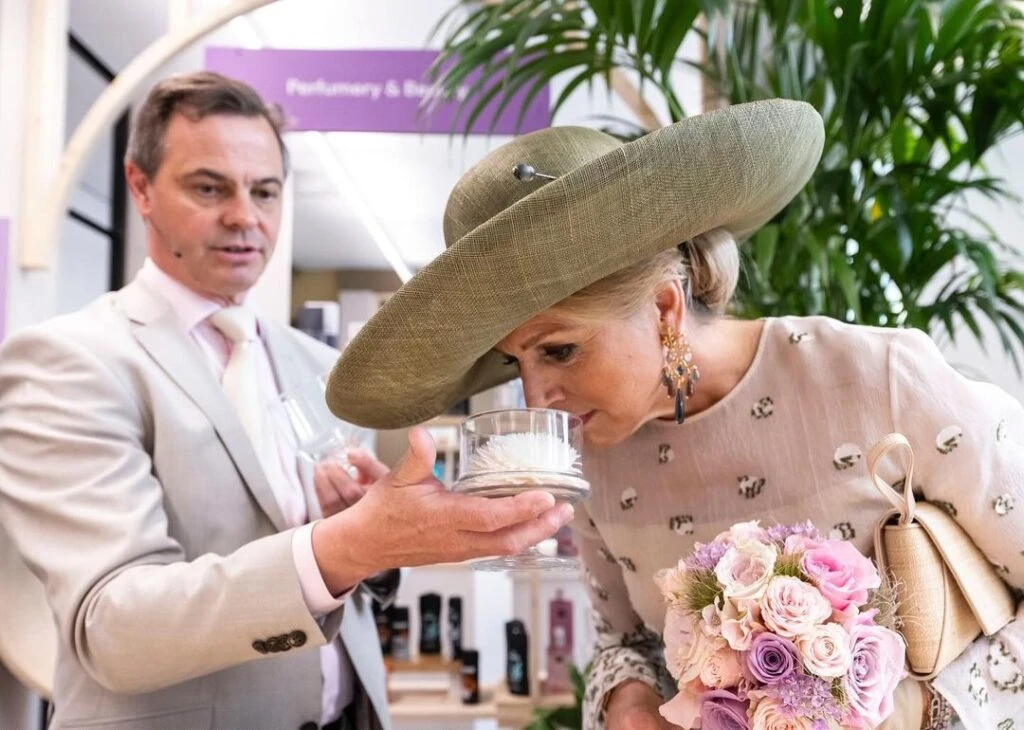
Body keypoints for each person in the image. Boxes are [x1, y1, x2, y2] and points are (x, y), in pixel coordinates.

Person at [326, 99, 1024, 730]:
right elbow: (623, 641)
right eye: (517, 363)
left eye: (561, 350)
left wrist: (925, 713)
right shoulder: (592, 456)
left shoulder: (878, 377)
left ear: (664, 308)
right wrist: (629, 705)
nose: (539, 400)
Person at [0, 71, 573, 730]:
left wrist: (379, 552)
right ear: (140, 187)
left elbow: (345, 582)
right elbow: (113, 625)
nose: (245, 217)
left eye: (265, 191)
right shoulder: (70, 363)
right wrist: (345, 545)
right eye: (209, 187)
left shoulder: (319, 365)